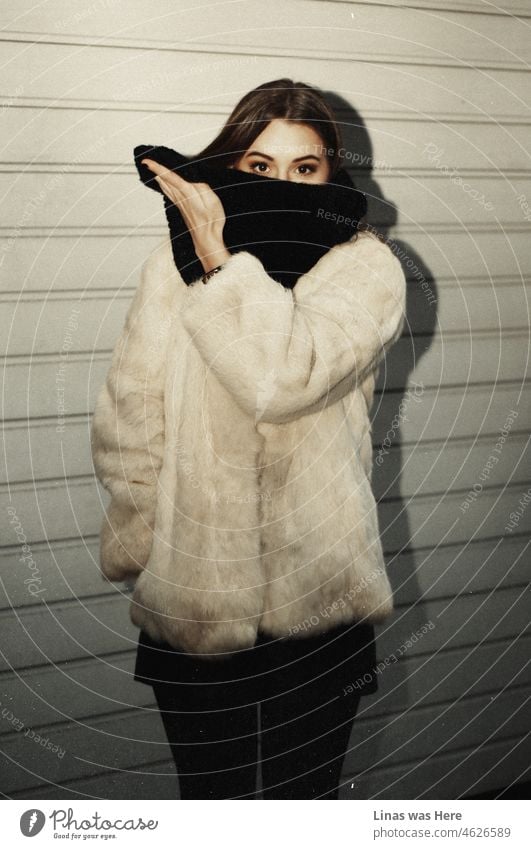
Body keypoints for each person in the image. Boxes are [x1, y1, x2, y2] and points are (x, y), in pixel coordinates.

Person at [90, 78, 407, 799]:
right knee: (211, 806)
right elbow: (130, 416)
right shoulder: (170, 269)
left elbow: (278, 378)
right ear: (230, 167)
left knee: (303, 808)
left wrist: (220, 262)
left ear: (331, 176)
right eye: (259, 167)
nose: (282, 184)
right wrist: (148, 548)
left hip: (318, 616)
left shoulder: (364, 268)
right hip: (194, 609)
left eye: (305, 168)